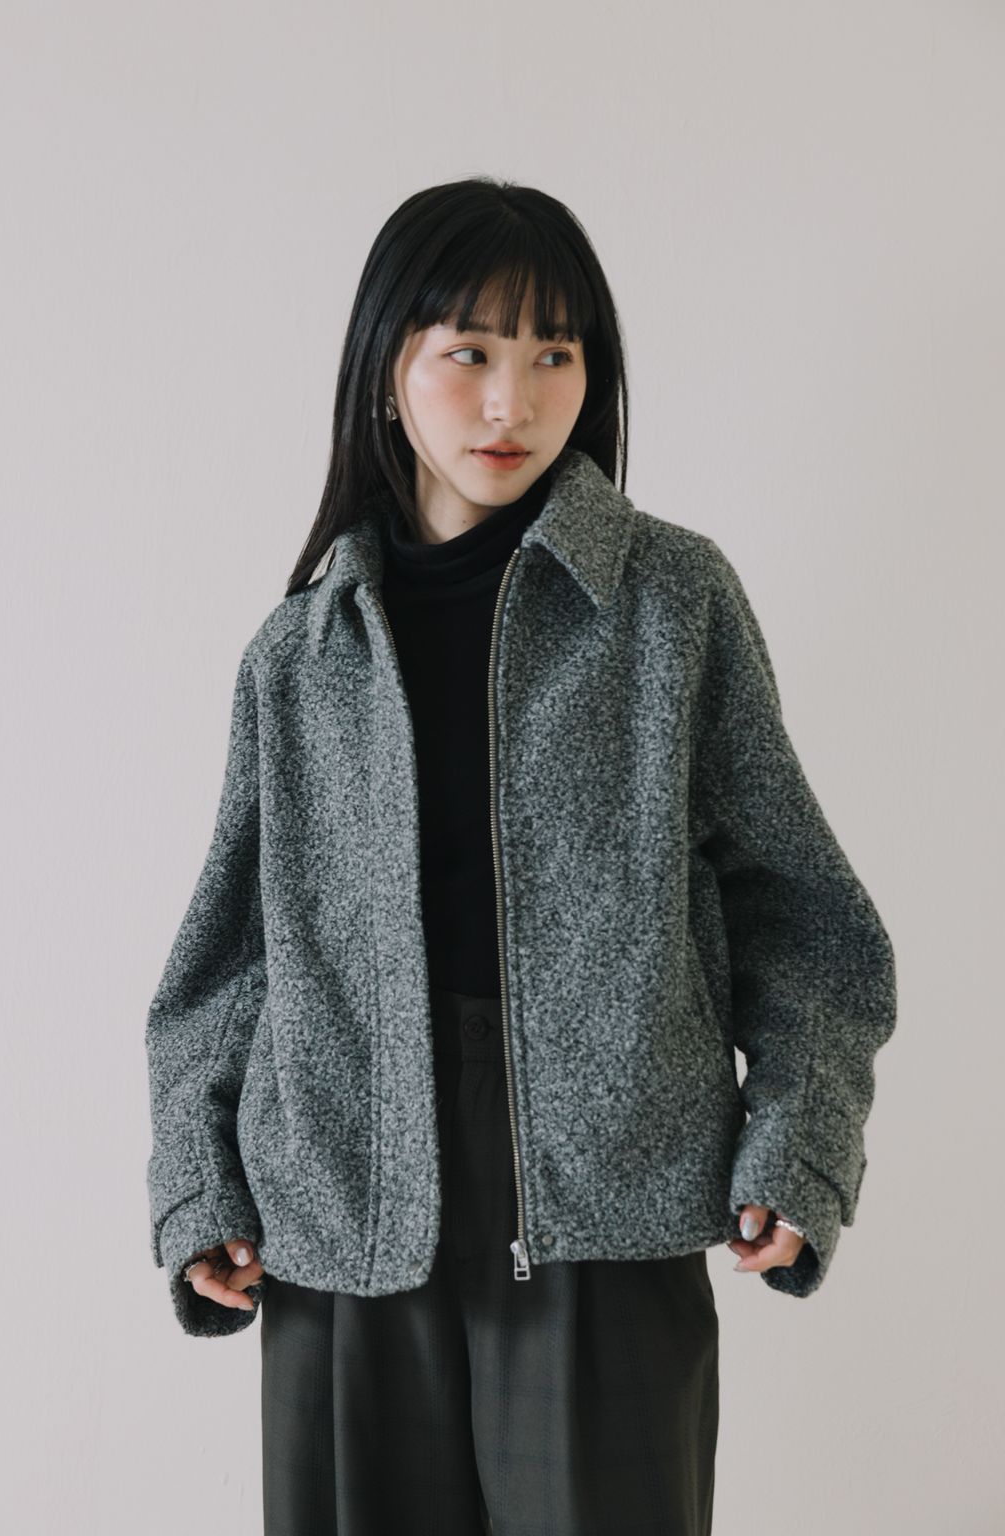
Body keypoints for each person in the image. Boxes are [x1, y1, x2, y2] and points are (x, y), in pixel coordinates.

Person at [143, 176, 897, 1535]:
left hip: (604, 1202)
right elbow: (226, 962)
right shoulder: (299, 655)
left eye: (556, 354)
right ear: (389, 371)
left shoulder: (671, 602)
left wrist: (798, 1142)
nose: (514, 402)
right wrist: (198, 1185)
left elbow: (807, 920)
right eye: (471, 352)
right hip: (340, 1209)